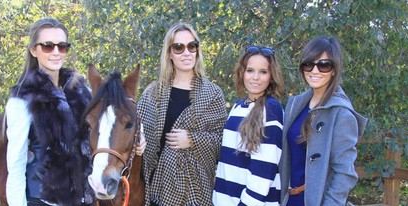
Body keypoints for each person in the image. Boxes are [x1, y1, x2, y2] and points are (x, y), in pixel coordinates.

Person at [137, 23, 227, 206]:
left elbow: (223, 143)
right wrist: (138, 143)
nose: (186, 53)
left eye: (191, 46)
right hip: (157, 193)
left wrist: (192, 139)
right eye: (178, 47)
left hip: (197, 193)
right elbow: (132, 131)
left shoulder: (212, 94)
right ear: (169, 53)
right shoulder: (153, 93)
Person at [5, 17, 92, 206]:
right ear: (34, 50)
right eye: (47, 46)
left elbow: (112, 121)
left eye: (62, 46)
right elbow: (16, 162)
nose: (55, 52)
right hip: (43, 199)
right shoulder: (22, 99)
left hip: (84, 198)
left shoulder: (83, 92)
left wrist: (140, 138)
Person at [279, 36, 368, 205]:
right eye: (309, 64)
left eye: (324, 65)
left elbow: (344, 172)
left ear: (334, 69)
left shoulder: (341, 114)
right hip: (290, 199)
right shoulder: (295, 105)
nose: (315, 70)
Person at [212, 46, 285, 205]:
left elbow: (263, 174)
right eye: (250, 70)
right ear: (242, 73)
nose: (256, 77)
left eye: (263, 72)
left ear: (271, 76)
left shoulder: (271, 109)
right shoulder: (237, 107)